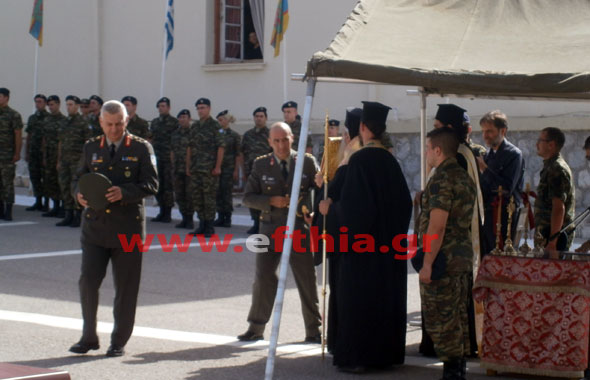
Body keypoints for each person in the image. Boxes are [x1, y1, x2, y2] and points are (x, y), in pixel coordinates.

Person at [324, 101, 411, 373]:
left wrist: (331, 210)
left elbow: (354, 212)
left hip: (362, 252)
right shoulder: (390, 160)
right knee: (384, 301)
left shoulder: (360, 161)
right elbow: (405, 205)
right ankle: (385, 355)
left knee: (359, 302)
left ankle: (358, 358)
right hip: (388, 250)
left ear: (363, 128)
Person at [69, 100, 158, 357]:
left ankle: (118, 340)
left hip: (127, 229)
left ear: (126, 121)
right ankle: (88, 337)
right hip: (95, 228)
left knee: (126, 287)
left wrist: (125, 192)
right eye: (109, 124)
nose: (114, 129)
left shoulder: (142, 148)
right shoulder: (91, 147)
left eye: (119, 123)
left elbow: (152, 184)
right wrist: (78, 195)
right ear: (101, 122)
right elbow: (78, 178)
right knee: (88, 282)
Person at [238, 122, 321, 343]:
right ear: (269, 142)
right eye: (276, 140)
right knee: (263, 278)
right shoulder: (261, 164)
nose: (281, 145)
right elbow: (247, 197)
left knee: (306, 280)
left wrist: (312, 210)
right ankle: (256, 328)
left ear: (292, 138)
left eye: (285, 139)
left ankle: (314, 330)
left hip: (298, 228)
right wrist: (270, 201)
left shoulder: (306, 162)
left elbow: (319, 190)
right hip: (269, 229)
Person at [419, 127, 476, 380]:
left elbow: (438, 224)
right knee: (458, 317)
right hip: (461, 259)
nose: (426, 153)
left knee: (441, 318)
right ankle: (457, 369)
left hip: (444, 261)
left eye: (428, 148)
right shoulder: (464, 177)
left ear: (438, 150)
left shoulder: (442, 178)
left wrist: (427, 263)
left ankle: (453, 372)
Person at [315, 107, 362, 354]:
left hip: (348, 244)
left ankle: (342, 345)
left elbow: (342, 203)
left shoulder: (353, 160)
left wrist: (326, 208)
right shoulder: (363, 156)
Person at [476, 110, 525, 255]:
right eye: (484, 131)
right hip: (487, 216)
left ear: (502, 131)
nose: (485, 135)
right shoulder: (488, 154)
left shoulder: (514, 154)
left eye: (490, 131)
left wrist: (485, 170)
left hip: (505, 218)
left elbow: (507, 187)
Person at [187, 98, 224, 236]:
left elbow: (221, 147)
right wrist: (188, 166)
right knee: (197, 197)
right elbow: (190, 147)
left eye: (203, 107)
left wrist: (218, 167)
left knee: (209, 198)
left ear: (209, 109)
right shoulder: (195, 127)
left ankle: (209, 226)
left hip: (209, 169)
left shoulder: (215, 126)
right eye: (198, 108)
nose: (200, 110)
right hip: (196, 168)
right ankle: (201, 224)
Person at [534, 127, 575, 251]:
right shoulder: (550, 166)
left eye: (540, 140)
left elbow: (558, 207)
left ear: (551, 145)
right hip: (546, 235)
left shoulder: (556, 169)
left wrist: (553, 241)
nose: (536, 144)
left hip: (552, 238)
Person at [55, 96, 89, 227]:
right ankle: (68, 214)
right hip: (64, 161)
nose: (68, 107)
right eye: (67, 104)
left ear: (77, 106)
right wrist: (58, 160)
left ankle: (78, 214)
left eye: (71, 104)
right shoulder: (64, 122)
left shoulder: (83, 123)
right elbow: (61, 142)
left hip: (77, 161)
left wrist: (85, 163)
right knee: (64, 186)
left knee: (76, 188)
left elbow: (88, 145)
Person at [242, 106, 272, 234]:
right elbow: (243, 153)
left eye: (261, 116)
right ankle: (255, 223)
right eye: (257, 116)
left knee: (264, 199)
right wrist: (243, 170)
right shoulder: (248, 135)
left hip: (266, 173)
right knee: (252, 198)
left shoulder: (270, 134)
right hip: (251, 172)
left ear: (266, 118)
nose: (259, 119)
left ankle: (264, 224)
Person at [150, 97, 177, 223]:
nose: (161, 108)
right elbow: (151, 138)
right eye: (159, 106)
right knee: (158, 185)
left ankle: (168, 212)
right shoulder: (155, 122)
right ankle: (161, 210)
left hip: (168, 158)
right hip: (157, 158)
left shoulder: (174, 122)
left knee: (168, 186)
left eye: (163, 106)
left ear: (169, 107)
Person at [214, 110, 242, 228]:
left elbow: (238, 154)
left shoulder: (234, 135)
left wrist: (236, 170)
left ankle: (227, 218)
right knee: (218, 192)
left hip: (228, 169)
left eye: (222, 119)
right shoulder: (215, 134)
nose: (220, 122)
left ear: (227, 120)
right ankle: (220, 216)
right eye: (219, 120)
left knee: (226, 193)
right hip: (217, 168)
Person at [0, 87, 23, 221]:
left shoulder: (13, 115)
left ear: (6, 98)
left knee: (7, 183)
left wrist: (17, 153)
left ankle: (8, 210)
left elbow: (18, 135)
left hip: (7, 155)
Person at [41, 95, 66, 218]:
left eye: (52, 104)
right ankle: (55, 206)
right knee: (50, 181)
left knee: (61, 181)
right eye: (49, 105)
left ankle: (63, 206)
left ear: (58, 104)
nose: (50, 107)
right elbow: (44, 138)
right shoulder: (47, 120)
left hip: (59, 155)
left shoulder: (64, 120)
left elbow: (64, 140)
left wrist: (60, 158)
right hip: (49, 154)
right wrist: (45, 155)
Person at [25, 94, 49, 212]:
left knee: (46, 178)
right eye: (36, 102)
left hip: (44, 153)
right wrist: (26, 152)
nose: (37, 104)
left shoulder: (48, 118)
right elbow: (29, 135)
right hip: (33, 152)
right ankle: (38, 201)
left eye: (40, 102)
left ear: (45, 103)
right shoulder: (32, 118)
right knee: (35, 177)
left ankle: (46, 202)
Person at [170, 109, 194, 229]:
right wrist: (172, 164)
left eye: (185, 117)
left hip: (189, 169)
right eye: (180, 117)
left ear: (189, 119)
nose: (182, 119)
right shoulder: (175, 134)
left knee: (189, 195)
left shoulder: (194, 133)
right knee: (179, 195)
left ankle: (190, 219)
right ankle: (184, 218)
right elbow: (172, 150)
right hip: (177, 168)